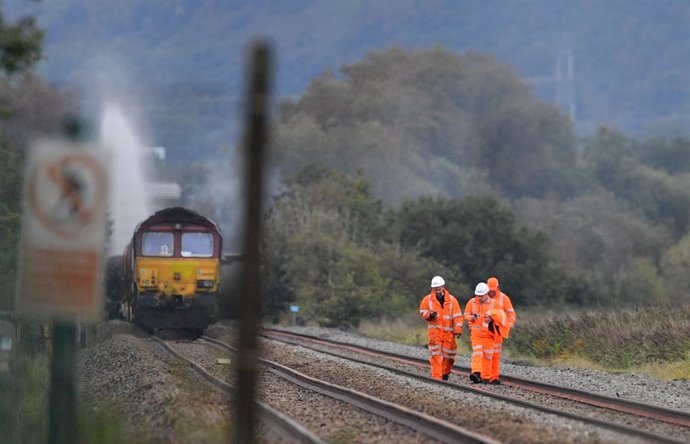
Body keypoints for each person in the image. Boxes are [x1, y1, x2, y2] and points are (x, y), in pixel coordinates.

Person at [418, 275, 463, 381]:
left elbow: (457, 317)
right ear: (432, 289)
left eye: (439, 289)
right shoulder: (427, 300)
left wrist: (458, 330)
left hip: (449, 334)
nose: (437, 291)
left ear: (443, 287)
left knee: (450, 356)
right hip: (435, 333)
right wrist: (429, 315)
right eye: (435, 289)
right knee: (435, 355)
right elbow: (422, 311)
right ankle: (437, 378)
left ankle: (445, 372)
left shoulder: (452, 300)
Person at [464, 282, 506, 384]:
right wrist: (471, 317)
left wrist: (492, 318)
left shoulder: (494, 303)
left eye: (481, 296)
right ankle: (476, 373)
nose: (479, 297)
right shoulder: (471, 302)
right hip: (476, 334)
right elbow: (466, 314)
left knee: (488, 356)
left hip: (488, 335)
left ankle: (486, 378)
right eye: (478, 295)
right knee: (477, 353)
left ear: (486, 293)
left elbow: (500, 316)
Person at [486, 276, 516, 384]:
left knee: (495, 356)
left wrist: (509, 325)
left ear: (497, 287)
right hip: (485, 332)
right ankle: (485, 376)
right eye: (490, 290)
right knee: (485, 355)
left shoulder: (504, 298)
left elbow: (511, 314)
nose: (491, 292)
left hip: (498, 333)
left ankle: (494, 377)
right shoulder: (482, 297)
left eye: (493, 290)